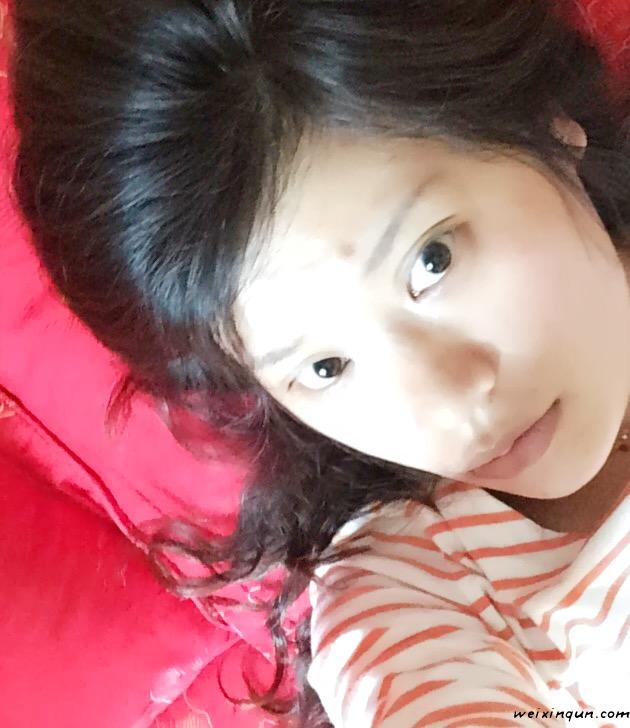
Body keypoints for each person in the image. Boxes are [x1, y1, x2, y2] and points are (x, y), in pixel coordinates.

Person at [7, 0, 630, 725]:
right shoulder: (411, 593)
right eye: (325, 368)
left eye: (432, 261)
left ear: (547, 121)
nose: (451, 408)